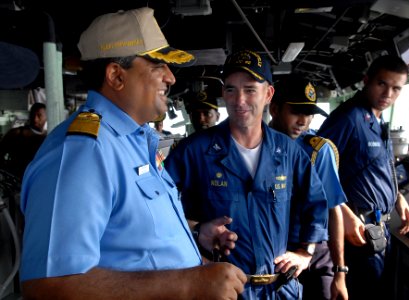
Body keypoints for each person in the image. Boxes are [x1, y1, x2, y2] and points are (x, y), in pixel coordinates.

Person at [19, 7, 246, 300]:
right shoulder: (84, 153)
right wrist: (189, 284)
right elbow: (47, 286)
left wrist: (196, 238)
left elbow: (134, 237)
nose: (171, 78)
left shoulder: (139, 141)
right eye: (157, 65)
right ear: (115, 76)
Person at [165, 49, 328, 299]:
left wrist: (306, 252)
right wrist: (196, 228)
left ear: (268, 94)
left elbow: (315, 203)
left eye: (250, 89)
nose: (239, 100)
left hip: (280, 288)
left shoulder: (288, 152)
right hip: (221, 290)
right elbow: (157, 211)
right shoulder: (193, 151)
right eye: (231, 89)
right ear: (223, 94)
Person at [317, 55, 409, 300]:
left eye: (396, 88)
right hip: (357, 230)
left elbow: (379, 168)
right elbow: (316, 171)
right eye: (382, 84)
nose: (388, 93)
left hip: (379, 227)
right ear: (367, 80)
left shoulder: (377, 120)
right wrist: (345, 215)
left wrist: (398, 197)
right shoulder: (347, 118)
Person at [269, 77, 348, 300]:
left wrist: (340, 272)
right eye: (296, 112)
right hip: (277, 252)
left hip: (317, 252)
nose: (303, 121)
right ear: (275, 109)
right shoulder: (257, 146)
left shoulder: (318, 151)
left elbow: (333, 209)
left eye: (309, 113)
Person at [0, 102, 47, 179]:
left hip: (35, 179)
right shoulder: (16, 133)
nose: (35, 119)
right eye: (33, 115)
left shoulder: (47, 138)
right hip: (14, 179)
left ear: (46, 117)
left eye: (39, 115)